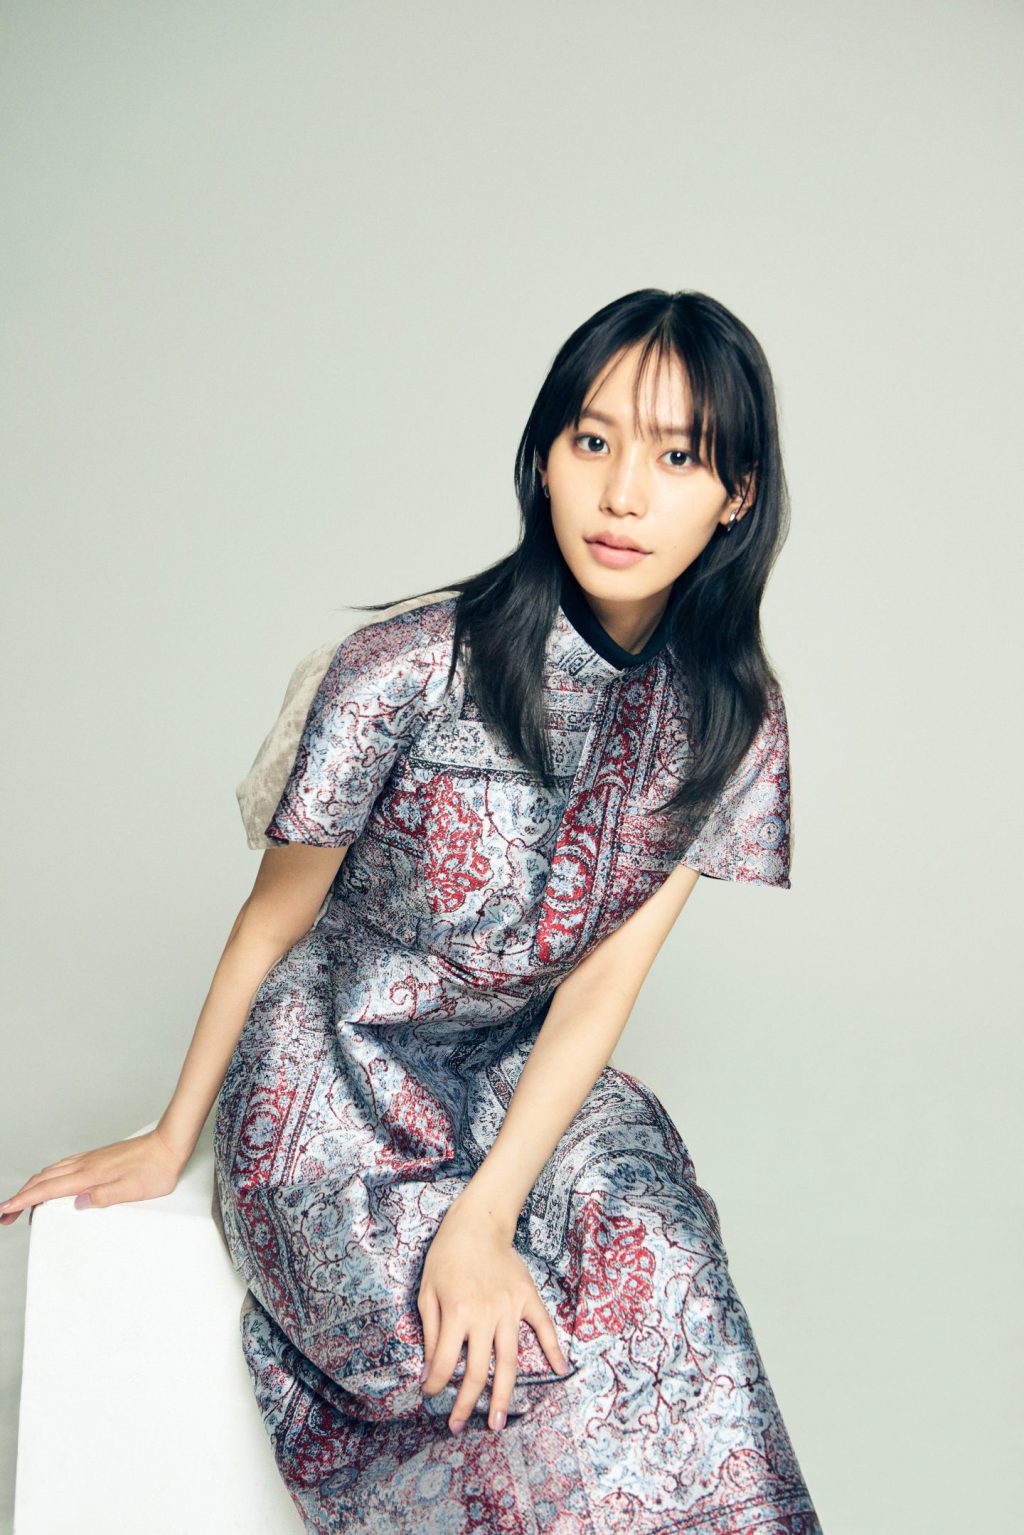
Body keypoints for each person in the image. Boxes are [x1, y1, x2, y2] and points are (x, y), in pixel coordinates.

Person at [2, 288, 823, 1534]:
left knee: (662, 1258)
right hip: (328, 1075)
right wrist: (174, 1136)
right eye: (591, 440)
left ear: (737, 495)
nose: (622, 494)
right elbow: (271, 923)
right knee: (475, 1359)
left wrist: (484, 1212)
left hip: (510, 1070)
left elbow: (602, 982)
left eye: (676, 457)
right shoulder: (402, 669)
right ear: (542, 455)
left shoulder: (732, 719)